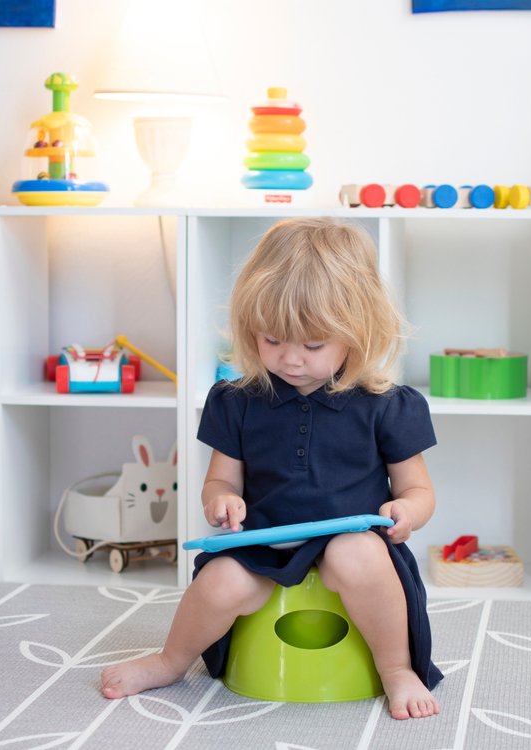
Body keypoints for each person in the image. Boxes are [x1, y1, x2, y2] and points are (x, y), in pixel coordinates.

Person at [101, 217, 442, 720]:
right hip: (261, 543)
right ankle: (170, 661)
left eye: (312, 344)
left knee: (357, 556)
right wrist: (221, 499)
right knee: (219, 583)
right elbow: (220, 479)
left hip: (351, 540)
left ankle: (395, 670)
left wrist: (405, 511)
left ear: (357, 332)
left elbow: (418, 489)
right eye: (273, 339)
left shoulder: (386, 404)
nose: (290, 359)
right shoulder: (236, 400)